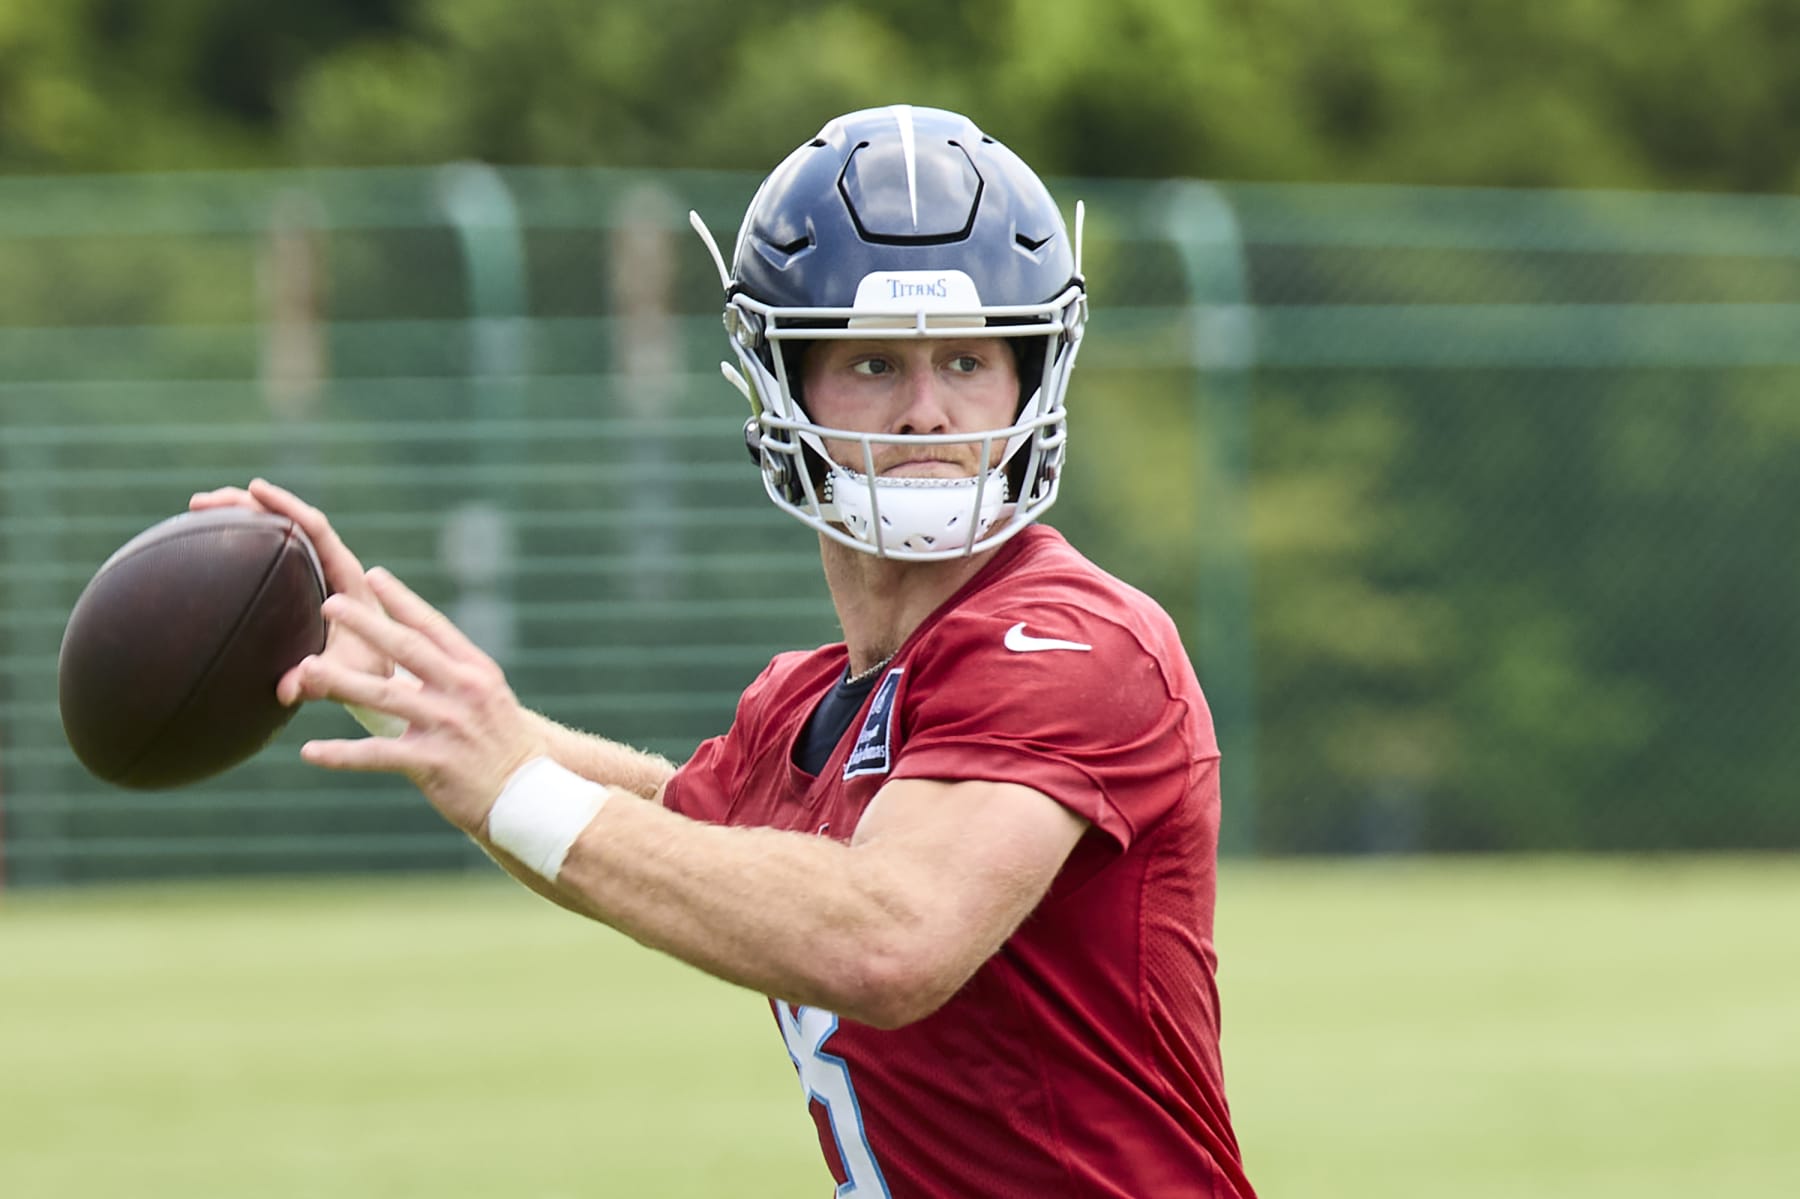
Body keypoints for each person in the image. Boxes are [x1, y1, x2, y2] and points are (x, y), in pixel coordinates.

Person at [194, 104, 1257, 1198]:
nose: (930, 412)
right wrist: (427, 707)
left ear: (1032, 380)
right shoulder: (805, 701)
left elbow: (892, 935)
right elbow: (676, 835)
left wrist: (510, 775)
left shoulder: (1074, 638)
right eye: (876, 365)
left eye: (968, 360)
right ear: (780, 385)